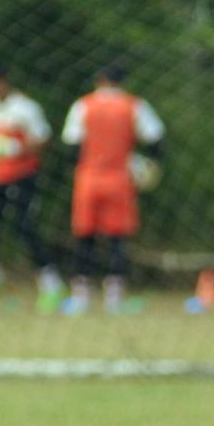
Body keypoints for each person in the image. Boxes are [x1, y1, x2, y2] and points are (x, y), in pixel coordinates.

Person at [60, 64, 165, 315]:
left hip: (88, 178)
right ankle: (114, 299)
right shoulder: (133, 105)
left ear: (99, 80)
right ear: (122, 82)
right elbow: (157, 140)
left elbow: (72, 146)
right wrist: (147, 165)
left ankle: (80, 298)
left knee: (85, 236)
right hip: (120, 178)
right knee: (117, 238)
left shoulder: (83, 105)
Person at [0, 63, 64, 312]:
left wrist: (15, 149)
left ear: (1, 81)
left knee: (25, 229)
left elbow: (42, 141)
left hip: (24, 176)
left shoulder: (26, 108)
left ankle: (51, 285)